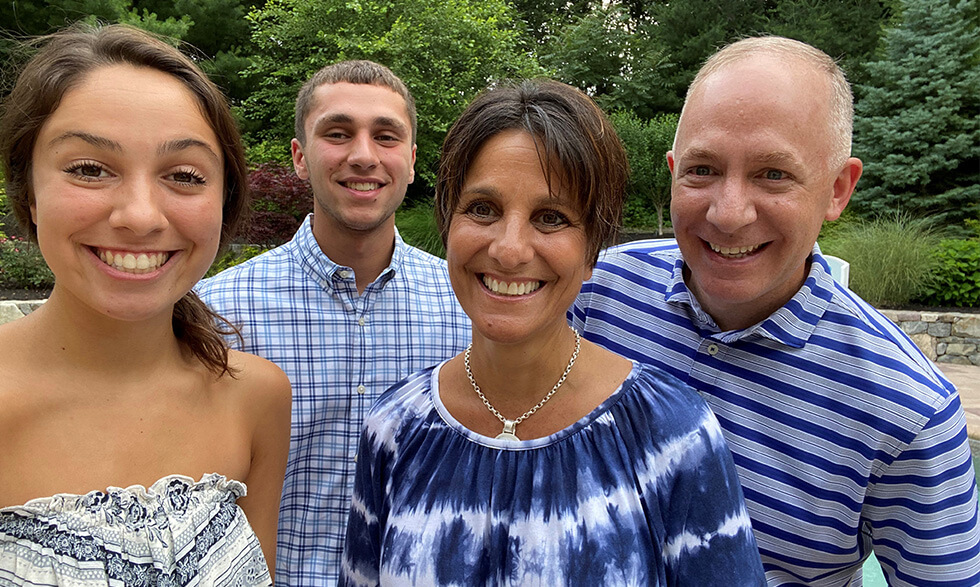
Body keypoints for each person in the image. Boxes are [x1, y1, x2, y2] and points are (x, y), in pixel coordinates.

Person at [571, 36, 980, 585]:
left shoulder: (908, 411)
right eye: (702, 170)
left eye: (774, 174)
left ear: (838, 189)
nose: (729, 213)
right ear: (672, 171)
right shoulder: (599, 294)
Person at [341, 79, 765, 586]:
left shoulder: (670, 434)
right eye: (482, 209)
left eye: (551, 217)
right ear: (447, 223)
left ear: (591, 251)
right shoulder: (394, 428)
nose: (510, 249)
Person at [0, 24, 291, 585]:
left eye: (183, 176)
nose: (140, 215)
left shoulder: (256, 398)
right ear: (28, 191)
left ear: (222, 205)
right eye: (89, 169)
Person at [196, 60, 470, 584]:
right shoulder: (216, 313)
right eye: (338, 133)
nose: (363, 156)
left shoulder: (467, 307)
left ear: (411, 162)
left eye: (386, 136)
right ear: (300, 157)